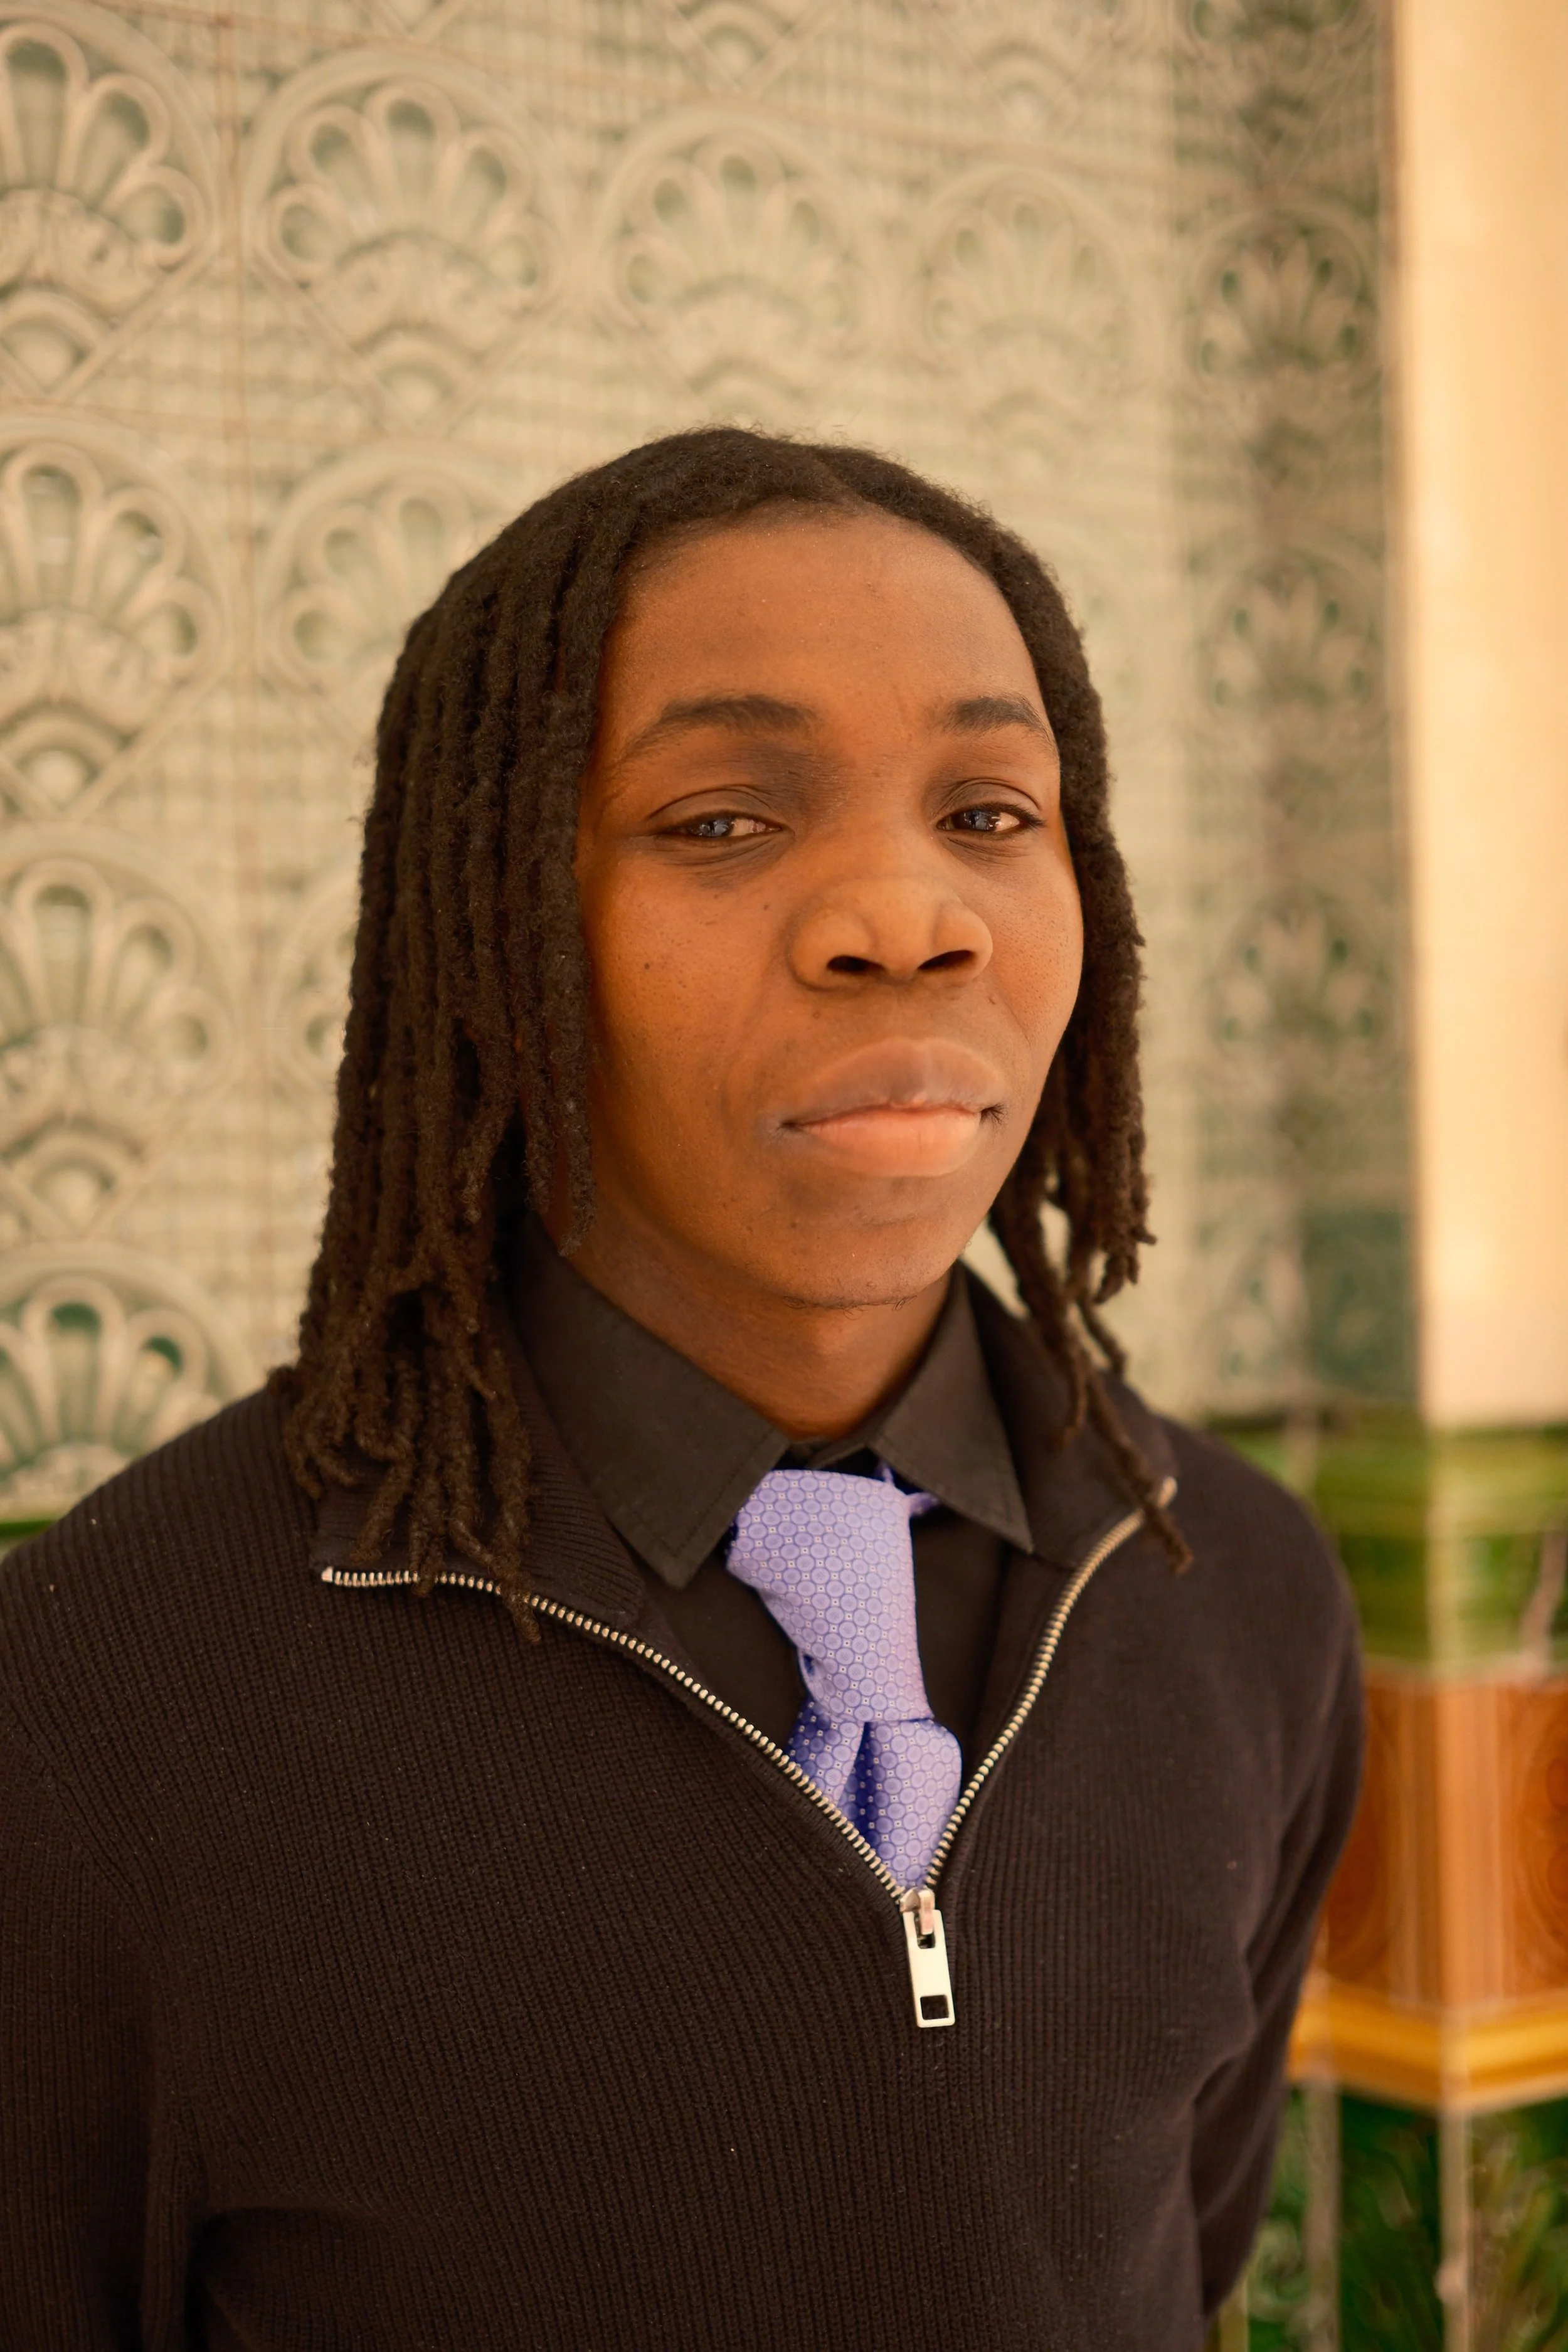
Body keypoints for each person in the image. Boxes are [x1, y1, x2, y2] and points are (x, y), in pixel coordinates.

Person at [0, 429, 1361, 2351]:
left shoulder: (1232, 1583)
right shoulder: (104, 1688)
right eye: (722, 818)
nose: (908, 914)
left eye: (988, 810)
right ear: (491, 927)